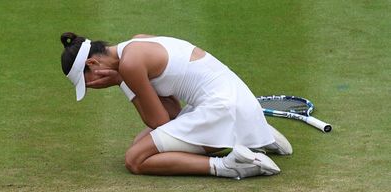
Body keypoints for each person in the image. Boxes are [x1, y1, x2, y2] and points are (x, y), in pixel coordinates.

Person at [60, 32, 293, 179]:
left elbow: (160, 122)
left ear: (92, 63)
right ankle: (252, 133)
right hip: (236, 102)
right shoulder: (139, 41)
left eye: (87, 82)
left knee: (135, 159)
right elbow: (171, 113)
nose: (92, 88)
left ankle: (228, 165)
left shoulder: (130, 65)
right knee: (141, 143)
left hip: (222, 109)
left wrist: (122, 82)